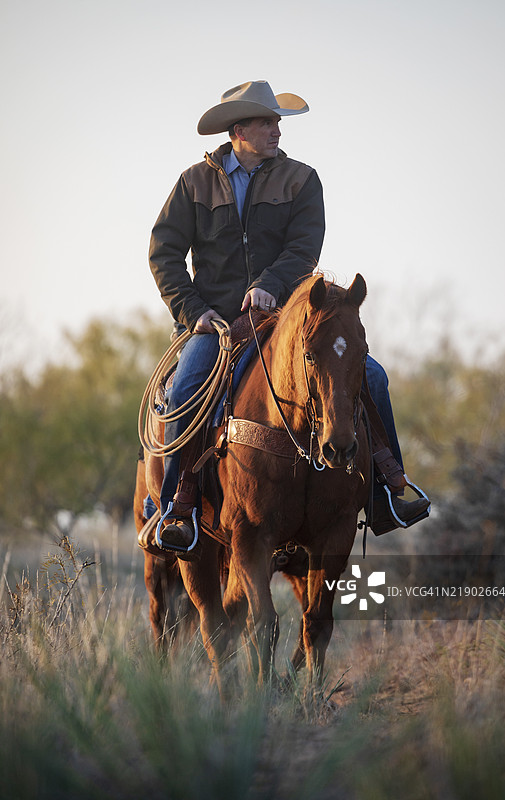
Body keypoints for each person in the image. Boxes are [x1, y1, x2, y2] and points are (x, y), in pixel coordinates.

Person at [148, 80, 428, 557]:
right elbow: (164, 254)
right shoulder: (193, 183)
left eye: (277, 121)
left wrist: (270, 286)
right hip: (215, 324)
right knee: (184, 388)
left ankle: (388, 489)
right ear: (239, 130)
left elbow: (304, 247)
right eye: (267, 122)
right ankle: (179, 506)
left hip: (287, 319)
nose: (277, 130)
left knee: (374, 377)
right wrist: (194, 312)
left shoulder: (301, 179)